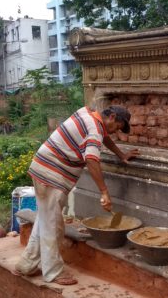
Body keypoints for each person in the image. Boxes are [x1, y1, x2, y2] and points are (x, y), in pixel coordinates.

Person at [15, 105, 140, 285]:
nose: (115, 132)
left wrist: (121, 154)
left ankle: (26, 265)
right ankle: (53, 272)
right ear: (112, 117)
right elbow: (91, 159)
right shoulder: (95, 129)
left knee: (45, 220)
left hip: (43, 169)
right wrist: (104, 191)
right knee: (54, 227)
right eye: (118, 127)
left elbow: (104, 137)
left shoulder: (88, 114)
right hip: (51, 176)